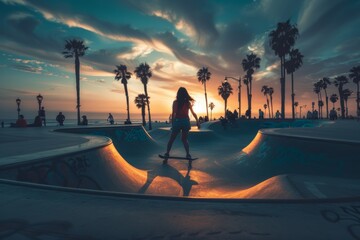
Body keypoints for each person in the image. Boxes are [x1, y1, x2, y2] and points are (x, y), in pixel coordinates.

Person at [164, 87, 200, 159]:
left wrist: (173, 124)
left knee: (172, 139)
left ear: (178, 94)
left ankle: (167, 153)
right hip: (186, 122)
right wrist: (197, 121)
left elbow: (173, 113)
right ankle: (188, 154)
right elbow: (193, 113)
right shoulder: (188, 103)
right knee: (184, 139)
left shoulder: (175, 102)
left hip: (177, 122)